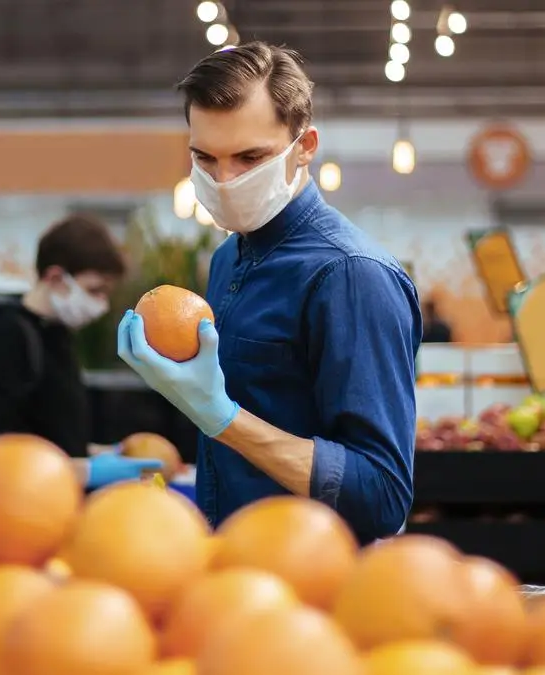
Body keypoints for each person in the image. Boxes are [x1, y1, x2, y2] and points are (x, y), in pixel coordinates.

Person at [117, 43, 422, 543]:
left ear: (304, 146)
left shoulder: (351, 276)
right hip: (234, 570)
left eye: (249, 157)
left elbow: (381, 495)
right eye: (205, 158)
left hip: (314, 589)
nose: (224, 180)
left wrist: (222, 418)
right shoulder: (227, 259)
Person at [0, 214, 163, 488]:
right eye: (94, 290)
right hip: (16, 509)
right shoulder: (5, 335)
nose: (101, 304)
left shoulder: (56, 333)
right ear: (56, 277)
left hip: (57, 498)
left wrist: (100, 453)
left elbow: (51, 434)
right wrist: (88, 471)